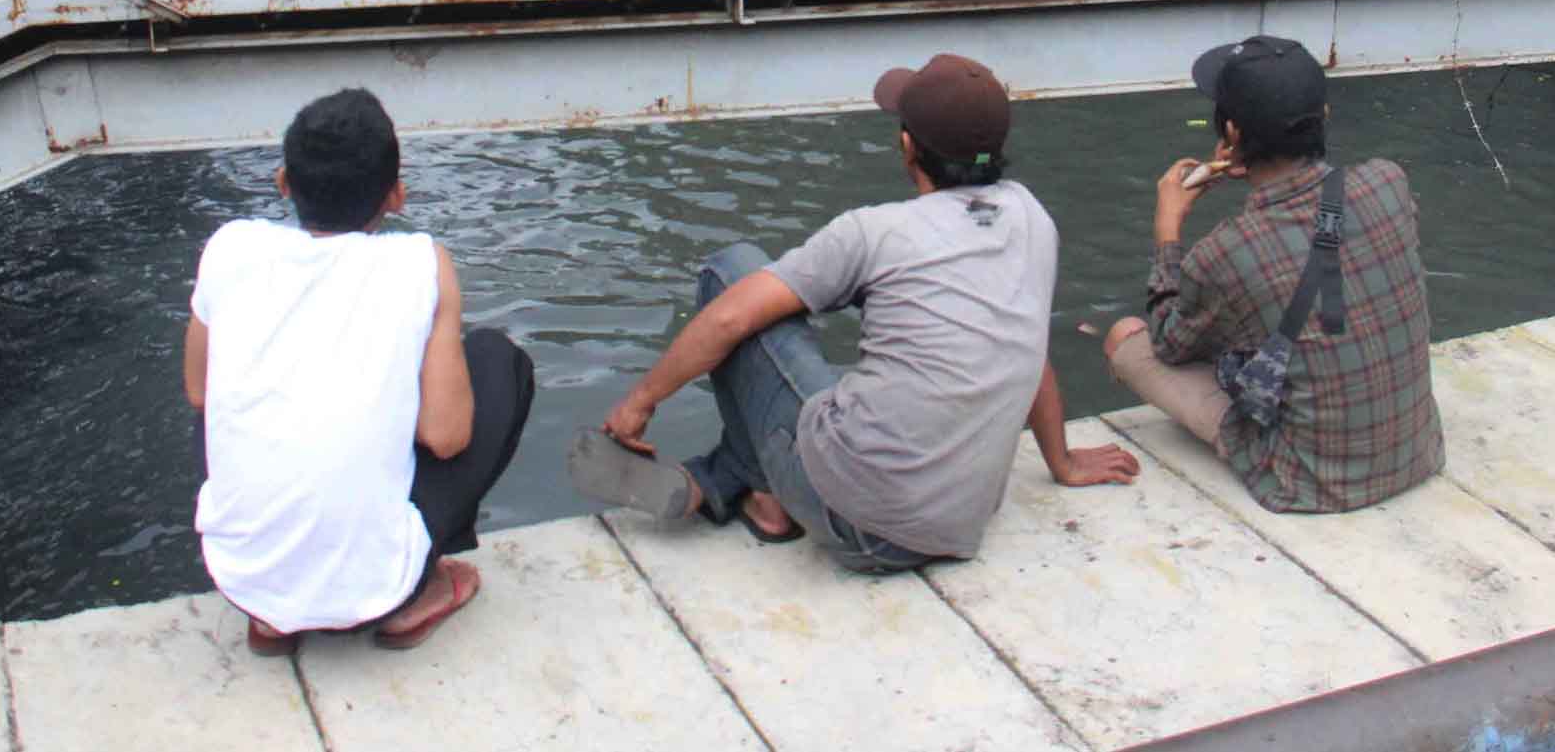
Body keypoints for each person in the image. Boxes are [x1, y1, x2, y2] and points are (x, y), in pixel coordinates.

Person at [569, 53, 1140, 572]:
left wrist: (638, 402)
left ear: (908, 146)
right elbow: (1026, 346)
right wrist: (1060, 460)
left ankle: (741, 482)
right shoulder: (1032, 218)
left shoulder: (875, 232)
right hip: (958, 524)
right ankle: (754, 494)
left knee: (734, 275)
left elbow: (729, 321)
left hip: (857, 523)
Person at [184, 88, 535, 654]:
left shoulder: (230, 249)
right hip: (378, 588)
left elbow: (199, 392)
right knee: (498, 362)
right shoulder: (419, 262)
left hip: (239, 579)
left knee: (223, 402)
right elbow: (446, 438)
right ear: (396, 196)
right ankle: (418, 591)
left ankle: (274, 618)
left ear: (283, 182)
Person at [1103, 36, 1444, 513]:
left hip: (1310, 482)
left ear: (1232, 134)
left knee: (1127, 340)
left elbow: (1168, 343)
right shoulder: (1389, 180)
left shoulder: (1225, 250)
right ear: (1321, 117)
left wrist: (1168, 231)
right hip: (1418, 452)